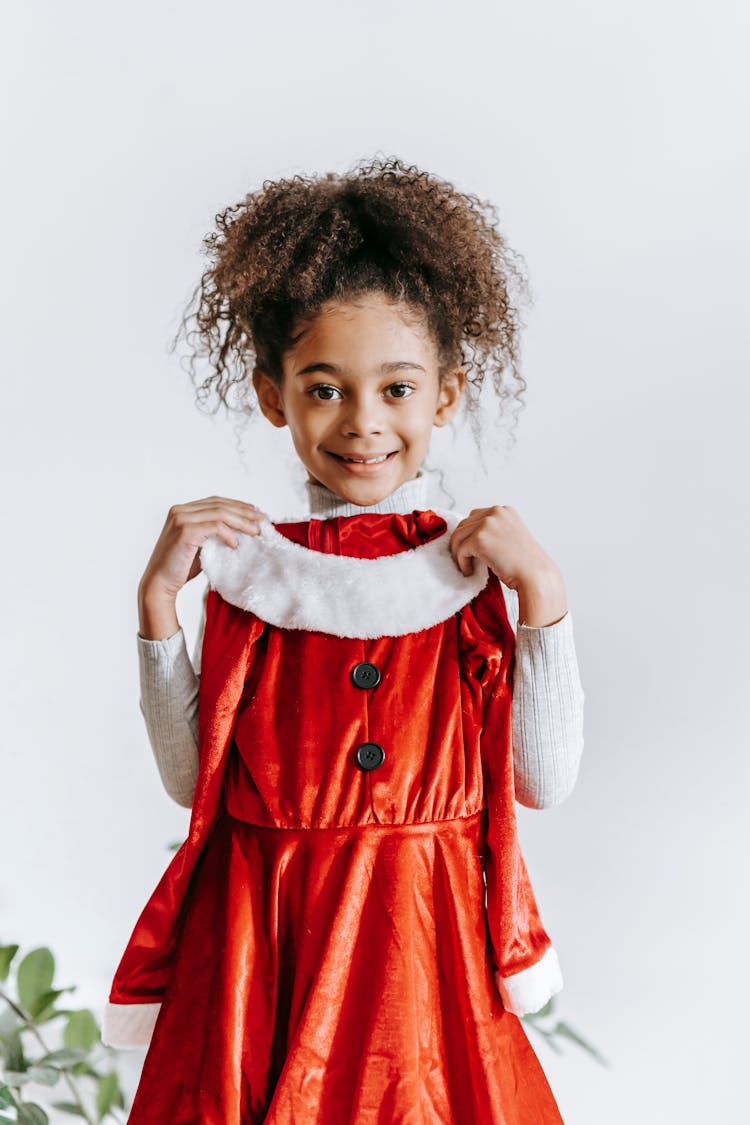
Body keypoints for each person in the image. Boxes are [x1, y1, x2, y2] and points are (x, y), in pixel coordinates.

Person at [103, 155, 585, 1123]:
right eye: (324, 389)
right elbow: (190, 776)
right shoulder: (253, 571)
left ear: (444, 395)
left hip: (425, 945)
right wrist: (159, 605)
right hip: (266, 938)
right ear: (274, 395)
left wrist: (544, 598)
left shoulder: (469, 574)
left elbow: (542, 779)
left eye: (398, 389)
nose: (364, 423)